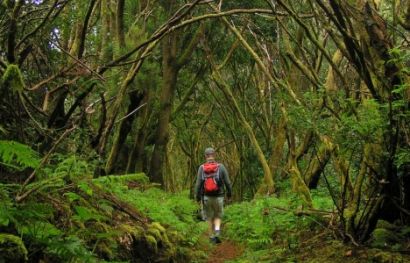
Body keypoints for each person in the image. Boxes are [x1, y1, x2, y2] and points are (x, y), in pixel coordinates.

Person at [194, 147, 232, 244]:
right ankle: (217, 233)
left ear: (205, 156)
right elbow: (228, 183)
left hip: (206, 197)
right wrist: (229, 194)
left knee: (209, 217)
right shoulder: (221, 167)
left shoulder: (201, 168)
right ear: (214, 155)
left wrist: (197, 198)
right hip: (219, 196)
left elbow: (198, 185)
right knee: (218, 216)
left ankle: (211, 237)